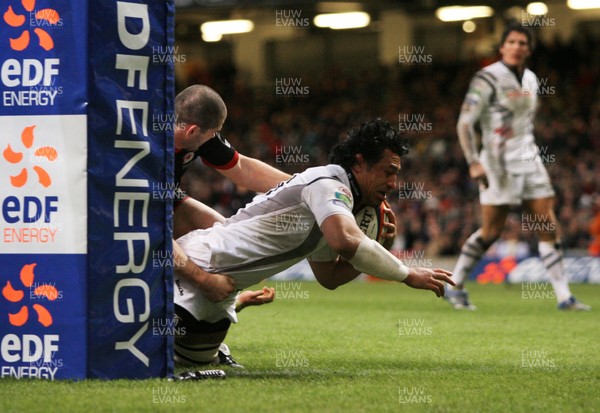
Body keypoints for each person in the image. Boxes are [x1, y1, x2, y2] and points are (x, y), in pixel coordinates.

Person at [172, 118, 454, 365]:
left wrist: (384, 246)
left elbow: (329, 277)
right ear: (359, 163)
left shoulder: (335, 210)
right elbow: (345, 242)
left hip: (223, 292)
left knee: (194, 359)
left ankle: (234, 305)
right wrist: (407, 274)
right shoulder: (327, 184)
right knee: (156, 355)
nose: (393, 183)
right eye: (388, 171)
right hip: (197, 264)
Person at [446, 23, 591, 311]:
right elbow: (464, 122)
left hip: (529, 159)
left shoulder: (532, 80)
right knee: (491, 232)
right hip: (498, 165)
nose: (516, 46)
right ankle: (455, 285)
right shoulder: (487, 78)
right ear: (502, 47)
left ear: (529, 49)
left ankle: (564, 297)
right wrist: (474, 162)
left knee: (547, 224)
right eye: (511, 41)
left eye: (522, 43)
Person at [171, 85, 290, 365]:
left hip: (165, 196)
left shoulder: (197, 135)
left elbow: (243, 170)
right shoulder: (145, 152)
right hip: (123, 206)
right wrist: (205, 280)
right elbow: (152, 235)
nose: (215, 140)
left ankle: (211, 322)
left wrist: (310, 186)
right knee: (163, 251)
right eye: (213, 134)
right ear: (191, 132)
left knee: (225, 234)